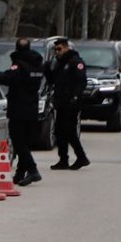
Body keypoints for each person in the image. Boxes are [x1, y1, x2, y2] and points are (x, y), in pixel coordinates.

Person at [0, 38, 44, 186]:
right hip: (32, 107)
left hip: (19, 108)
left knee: (18, 142)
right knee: (24, 143)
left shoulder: (19, 64)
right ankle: (20, 174)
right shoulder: (38, 64)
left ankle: (33, 170)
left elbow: (10, 78)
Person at [44, 38, 89, 170]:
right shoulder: (60, 63)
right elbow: (52, 81)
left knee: (70, 131)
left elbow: (82, 82)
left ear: (66, 48)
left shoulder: (75, 62)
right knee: (59, 131)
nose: (57, 52)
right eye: (55, 49)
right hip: (61, 102)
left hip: (71, 103)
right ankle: (63, 159)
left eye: (59, 49)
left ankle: (81, 157)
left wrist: (75, 96)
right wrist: (47, 69)